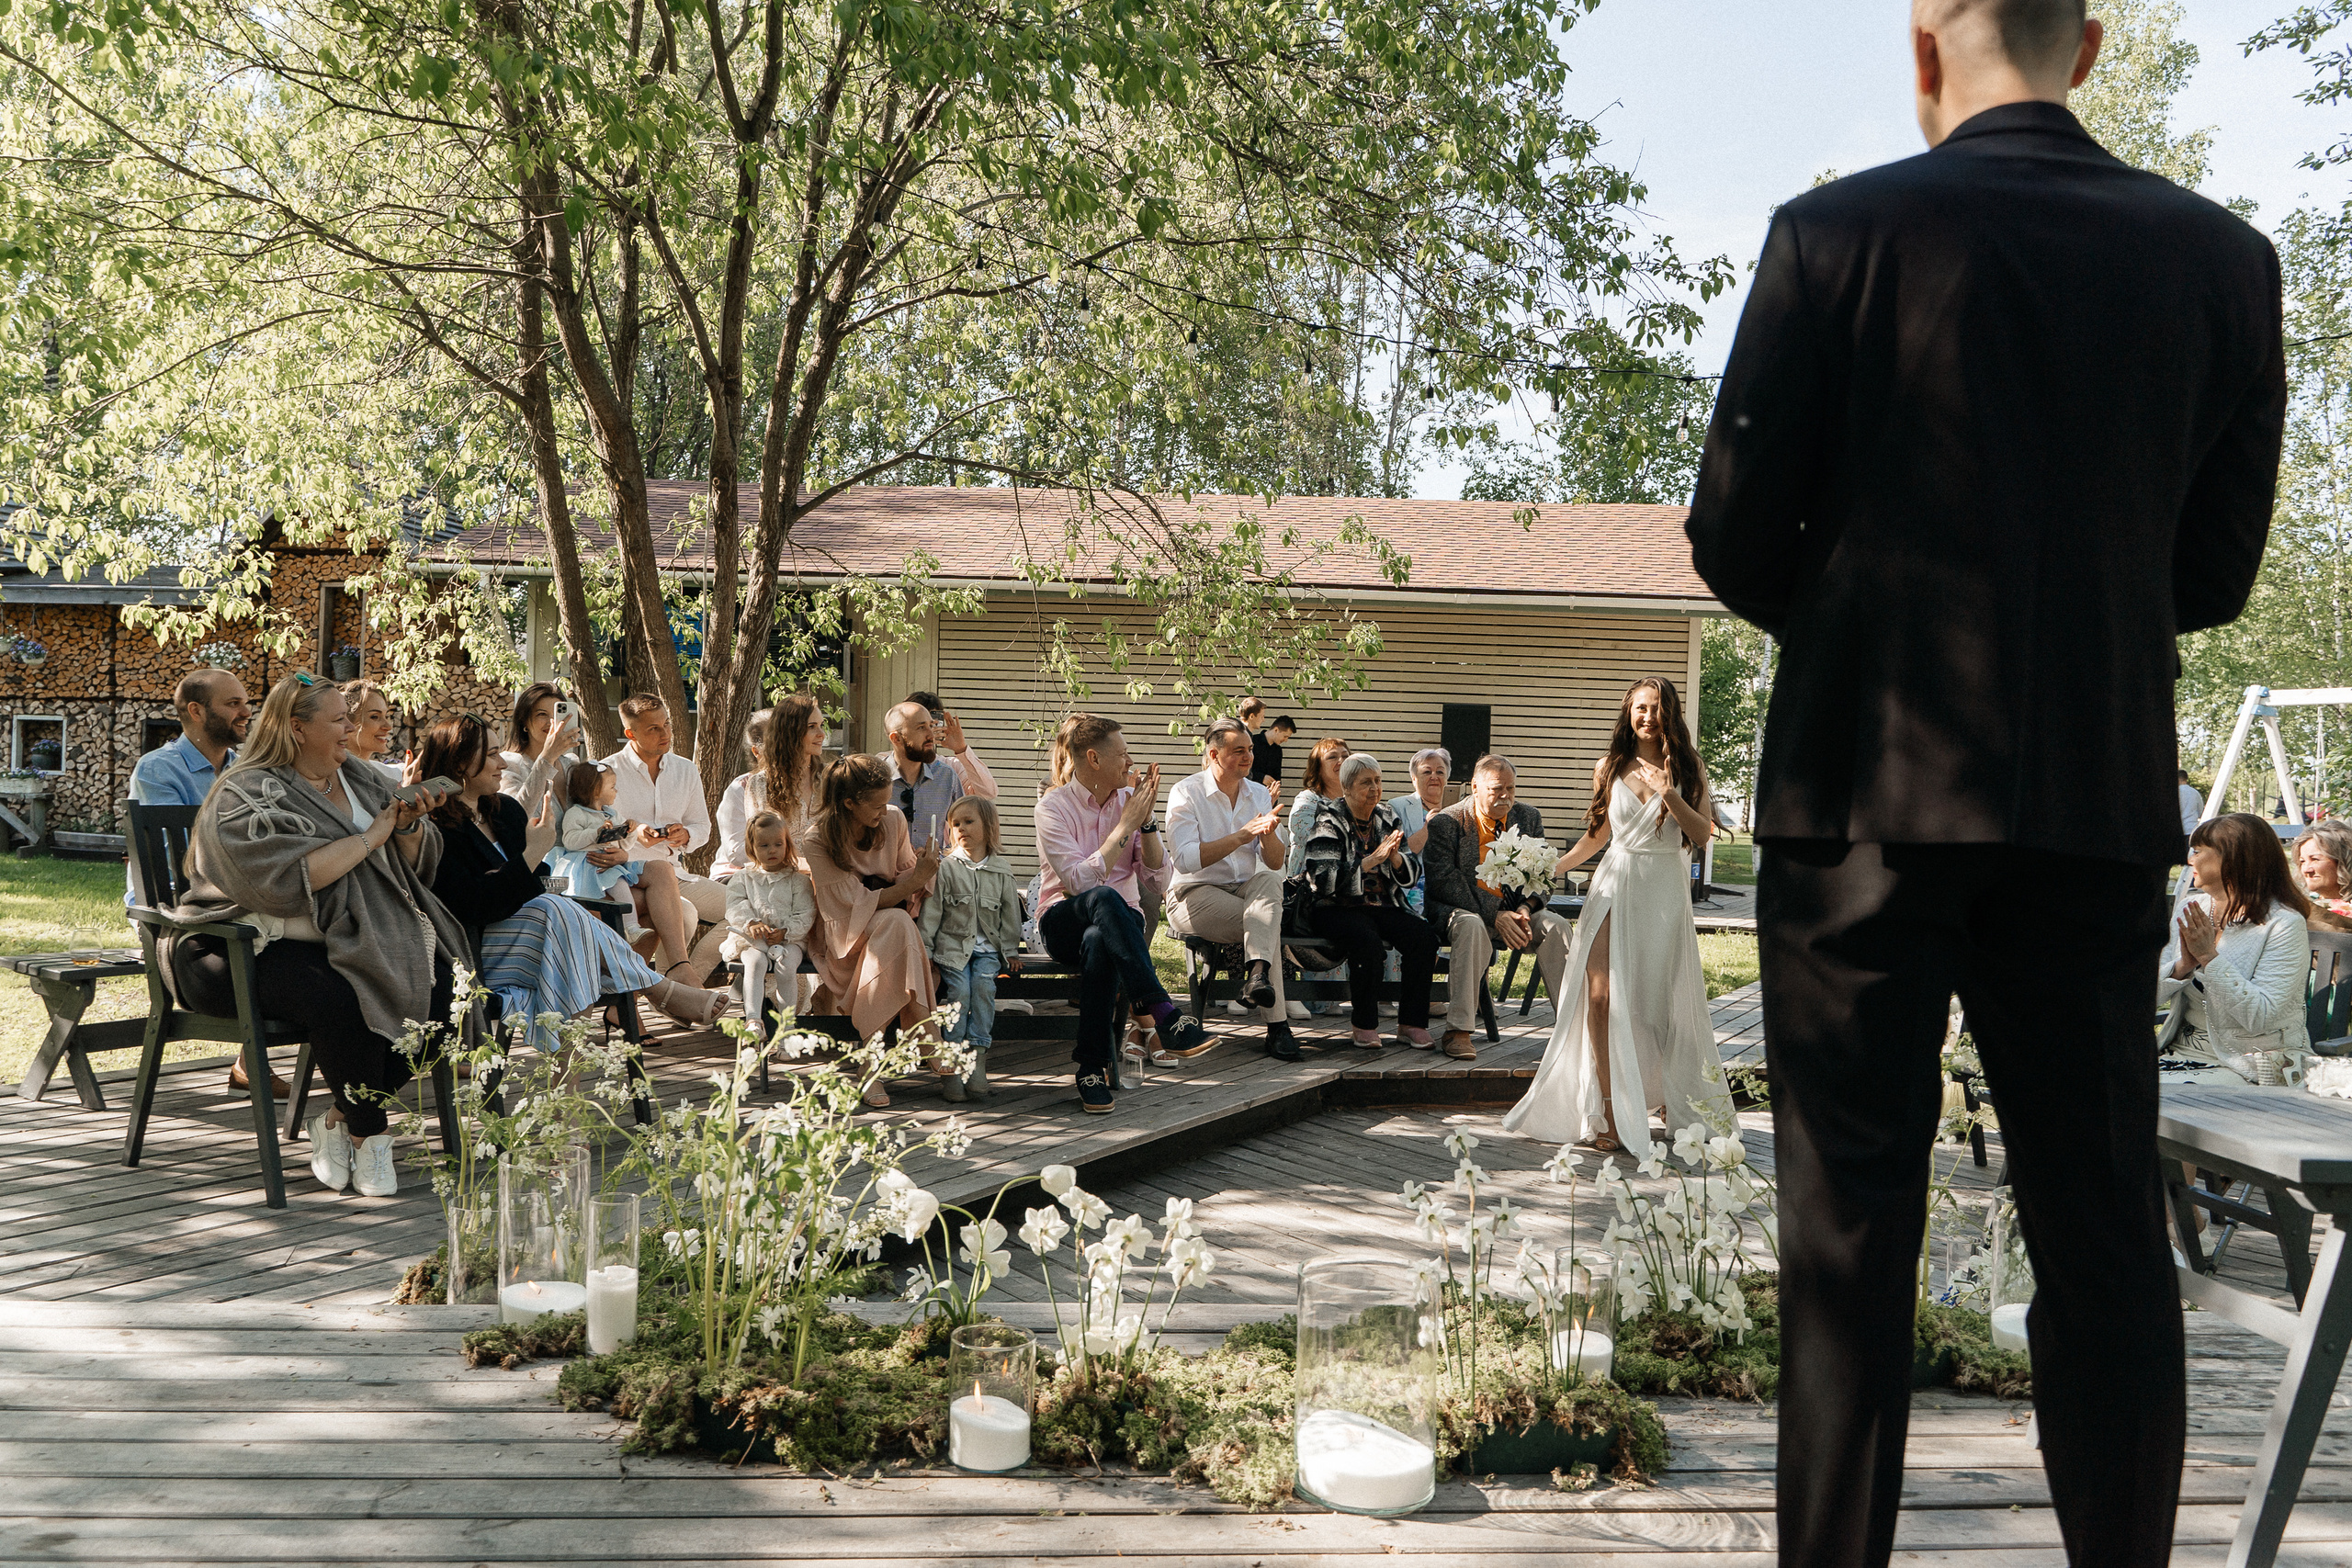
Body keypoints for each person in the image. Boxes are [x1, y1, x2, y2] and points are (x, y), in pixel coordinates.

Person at [1683, 3, 2286, 1561]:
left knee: (1846, 1245)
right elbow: (2215, 572)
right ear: (2086, 48)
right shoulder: (2224, 262)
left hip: (1859, 804)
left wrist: (1861, 625)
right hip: (2088, 801)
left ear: (1921, 47)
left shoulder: (1831, 240)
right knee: (2103, 1239)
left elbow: (1732, 532)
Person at [164, 674, 459, 1198]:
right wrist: (372, 836)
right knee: (342, 994)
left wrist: (408, 827)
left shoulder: (362, 778)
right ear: (297, 728)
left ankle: (337, 1118)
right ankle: (370, 1135)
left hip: (347, 934)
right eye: (340, 720)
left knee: (444, 987)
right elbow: (280, 882)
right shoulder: (245, 792)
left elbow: (411, 866)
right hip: (235, 945)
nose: (351, 728)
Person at [1503, 678, 1736, 1156]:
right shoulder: (1609, 765)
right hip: (1613, 883)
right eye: (1640, 708)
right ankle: (1607, 1109)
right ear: (1629, 713)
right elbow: (1596, 836)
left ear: (1670, 713)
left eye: (1656, 708)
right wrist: (1546, 867)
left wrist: (1669, 793)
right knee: (1600, 997)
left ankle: (1667, 1094)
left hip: (1663, 889)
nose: (1647, 716)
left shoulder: (1689, 766)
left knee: (1657, 1003)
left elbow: (1702, 835)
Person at [417, 716, 724, 1037]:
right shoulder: (438, 827)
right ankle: (655, 988)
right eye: (493, 755)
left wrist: (519, 870)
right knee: (555, 910)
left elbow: (537, 880)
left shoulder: (503, 811)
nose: (502, 764)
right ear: (462, 763)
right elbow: (477, 906)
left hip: (543, 939)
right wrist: (530, 856)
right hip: (485, 950)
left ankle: (582, 1049)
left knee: (566, 931)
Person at [1033, 712, 1210, 1112]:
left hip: (1118, 925)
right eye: (1123, 754)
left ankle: (1090, 1069)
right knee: (1102, 897)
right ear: (1093, 759)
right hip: (1062, 921)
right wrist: (1123, 827)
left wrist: (1146, 824)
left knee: (1101, 938)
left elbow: (1158, 881)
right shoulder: (1052, 808)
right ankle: (1162, 1010)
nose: (1131, 762)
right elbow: (1079, 882)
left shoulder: (1132, 802)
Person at [127, 669, 270, 1090]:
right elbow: (178, 865)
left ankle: (253, 1062)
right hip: (174, 910)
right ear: (196, 710)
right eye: (233, 703)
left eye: (246, 702)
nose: (247, 712)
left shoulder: (245, 768)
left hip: (233, 897)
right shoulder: (158, 769)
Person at [803, 752, 942, 1108]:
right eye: (877, 805)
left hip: (888, 935)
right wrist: (914, 882)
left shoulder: (893, 820)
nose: (886, 810)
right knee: (896, 924)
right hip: (845, 938)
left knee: (895, 925)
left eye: (887, 801)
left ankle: (871, 1062)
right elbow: (852, 908)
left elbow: (903, 879)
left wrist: (923, 869)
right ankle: (924, 1029)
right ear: (849, 803)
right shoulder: (817, 840)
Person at [1424, 755, 1574, 1061]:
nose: (1505, 796)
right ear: (1475, 787)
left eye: (1510, 788)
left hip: (1517, 913)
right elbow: (1445, 883)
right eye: (1496, 789)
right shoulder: (1447, 822)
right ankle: (1458, 1030)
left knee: (1557, 927)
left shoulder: (1528, 817)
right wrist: (1495, 913)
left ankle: (1574, 1028)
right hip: (1462, 911)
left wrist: (1527, 908)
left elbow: (1545, 874)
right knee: (1471, 926)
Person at [1167, 718, 1297, 1058]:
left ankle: (1257, 977)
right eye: (1239, 750)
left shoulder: (1258, 793)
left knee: (1269, 881)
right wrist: (1242, 835)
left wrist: (1268, 836)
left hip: (1243, 888)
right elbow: (1186, 860)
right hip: (1193, 893)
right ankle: (1278, 1027)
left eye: (1250, 749)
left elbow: (1274, 862)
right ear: (1214, 754)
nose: (1249, 757)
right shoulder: (1186, 791)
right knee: (1266, 922)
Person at [1295, 754, 1438, 1048]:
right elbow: (1321, 879)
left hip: (1382, 904)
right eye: (1366, 783)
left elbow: (1410, 873)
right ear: (1347, 788)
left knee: (1423, 937)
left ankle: (1411, 1023)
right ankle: (1364, 1025)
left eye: (1377, 781)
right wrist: (1370, 861)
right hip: (1334, 907)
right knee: (1367, 942)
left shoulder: (1386, 816)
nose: (1374, 789)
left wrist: (1395, 859)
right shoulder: (1328, 819)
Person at [2160, 813, 2313, 1083]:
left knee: (2148, 1097)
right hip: (2181, 1051)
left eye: (2198, 851)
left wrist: (2209, 958)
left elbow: (2261, 1017)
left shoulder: (2283, 924)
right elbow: (2144, 994)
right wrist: (2182, 967)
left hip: (2252, 1063)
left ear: (2233, 860)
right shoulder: (2190, 909)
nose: (2189, 860)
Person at [603, 694, 728, 986]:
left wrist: (686, 835)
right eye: (654, 729)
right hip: (625, 877)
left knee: (744, 909)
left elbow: (702, 827)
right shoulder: (607, 770)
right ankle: (670, 990)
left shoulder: (686, 769)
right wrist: (633, 833)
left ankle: (682, 983)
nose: (665, 734)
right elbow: (593, 830)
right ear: (630, 734)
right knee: (686, 913)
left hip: (675, 873)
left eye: (667, 724)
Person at [919, 796, 1023, 1102]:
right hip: (953, 950)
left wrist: (1010, 951)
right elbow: (933, 913)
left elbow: (1010, 915)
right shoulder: (947, 868)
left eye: (969, 821)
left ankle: (977, 1057)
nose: (961, 828)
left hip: (988, 951)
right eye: (955, 824)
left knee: (982, 986)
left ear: (988, 826)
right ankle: (951, 1065)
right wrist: (926, 950)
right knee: (960, 993)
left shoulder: (1001, 870)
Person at [723, 808, 817, 1031]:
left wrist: (786, 931)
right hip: (753, 941)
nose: (772, 850)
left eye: (778, 844)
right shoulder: (743, 878)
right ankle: (753, 1019)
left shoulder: (797, 881)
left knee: (786, 965)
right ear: (752, 848)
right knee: (755, 963)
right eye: (764, 845)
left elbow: (806, 913)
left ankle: (787, 1025)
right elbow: (735, 906)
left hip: (790, 940)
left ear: (787, 845)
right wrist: (751, 923)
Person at [884, 698, 997, 853]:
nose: (931, 734)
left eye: (932, 725)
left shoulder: (946, 774)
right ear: (896, 738)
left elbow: (987, 794)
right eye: (921, 727)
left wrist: (961, 749)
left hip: (935, 867)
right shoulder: (875, 775)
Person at [554, 761, 643, 905]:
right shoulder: (576, 813)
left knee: (622, 890)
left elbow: (626, 845)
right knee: (587, 901)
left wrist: (630, 830)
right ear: (596, 791)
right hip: (585, 867)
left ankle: (630, 919)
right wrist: (595, 833)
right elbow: (570, 841)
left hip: (609, 867)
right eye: (612, 787)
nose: (616, 791)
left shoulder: (612, 815)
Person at [710, 708, 774, 879]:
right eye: (775, 743)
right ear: (756, 751)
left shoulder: (809, 783)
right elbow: (736, 853)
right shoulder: (741, 788)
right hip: (736, 876)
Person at [1389, 746, 1452, 914]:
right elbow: (1397, 854)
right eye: (1427, 772)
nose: (1434, 776)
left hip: (1446, 893)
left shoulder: (1456, 811)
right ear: (1414, 778)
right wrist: (1427, 828)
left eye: (1440, 772)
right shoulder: (1397, 806)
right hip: (1413, 891)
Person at [341, 679, 409, 784]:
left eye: (386, 716)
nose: (388, 727)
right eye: (375, 717)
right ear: (348, 724)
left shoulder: (397, 774)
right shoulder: (332, 777)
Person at [2294, 819, 2352, 925]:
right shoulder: (2300, 908)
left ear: (2342, 862)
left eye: (2315, 859)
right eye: (2302, 861)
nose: (2306, 870)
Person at [1255, 715, 1295, 791]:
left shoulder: (1278, 750)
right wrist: (1261, 778)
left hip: (1269, 794)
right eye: (1285, 736)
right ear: (1276, 730)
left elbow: (1277, 776)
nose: (1286, 740)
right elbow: (1242, 771)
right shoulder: (1253, 742)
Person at [2178, 768, 2205, 842]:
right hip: (2192, 829)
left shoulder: (2176, 793)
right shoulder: (2195, 793)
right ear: (2186, 779)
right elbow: (2201, 812)